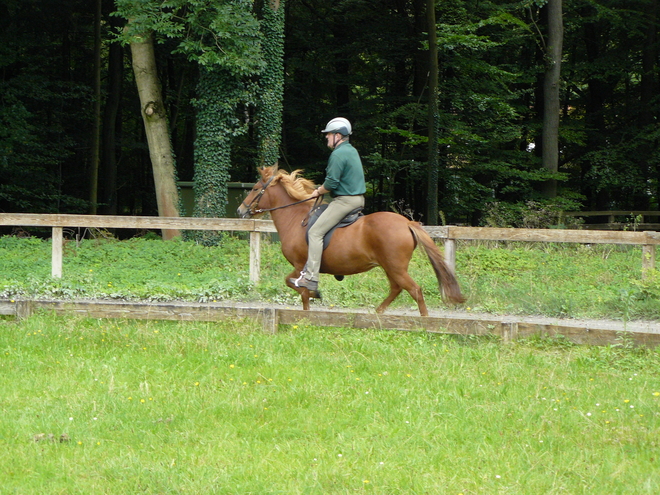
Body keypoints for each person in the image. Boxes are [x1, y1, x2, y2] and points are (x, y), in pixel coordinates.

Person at [289, 117, 366, 298]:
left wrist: (318, 191)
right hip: (356, 199)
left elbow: (331, 183)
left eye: (329, 135)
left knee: (315, 232)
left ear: (338, 135)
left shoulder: (338, 154)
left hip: (345, 201)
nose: (327, 138)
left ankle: (311, 278)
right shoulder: (351, 150)